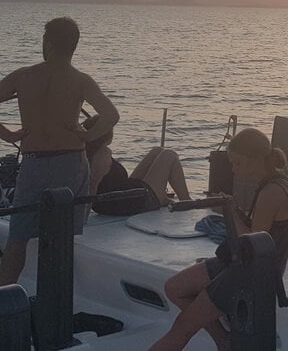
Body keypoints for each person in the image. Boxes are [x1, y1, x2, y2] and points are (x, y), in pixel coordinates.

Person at [151, 128, 288, 351]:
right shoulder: (280, 182)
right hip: (240, 263)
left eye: (237, 163)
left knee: (182, 328)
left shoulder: (272, 192)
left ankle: (222, 334)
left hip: (251, 274)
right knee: (175, 288)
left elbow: (253, 246)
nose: (233, 170)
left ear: (256, 160)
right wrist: (231, 208)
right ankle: (223, 341)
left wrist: (227, 209)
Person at [0, 16, 119, 286]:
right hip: (70, 162)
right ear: (74, 46)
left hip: (33, 163)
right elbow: (111, 115)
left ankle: (5, 303)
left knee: (17, 239)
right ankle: (54, 304)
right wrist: (87, 135)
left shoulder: (24, 76)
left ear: (48, 43)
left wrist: (6, 135)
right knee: (61, 237)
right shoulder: (81, 80)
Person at [89, 145, 193, 215]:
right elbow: (95, 181)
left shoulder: (90, 150)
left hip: (122, 195)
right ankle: (186, 201)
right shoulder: (101, 155)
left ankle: (163, 197)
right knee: (170, 154)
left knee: (157, 151)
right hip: (129, 202)